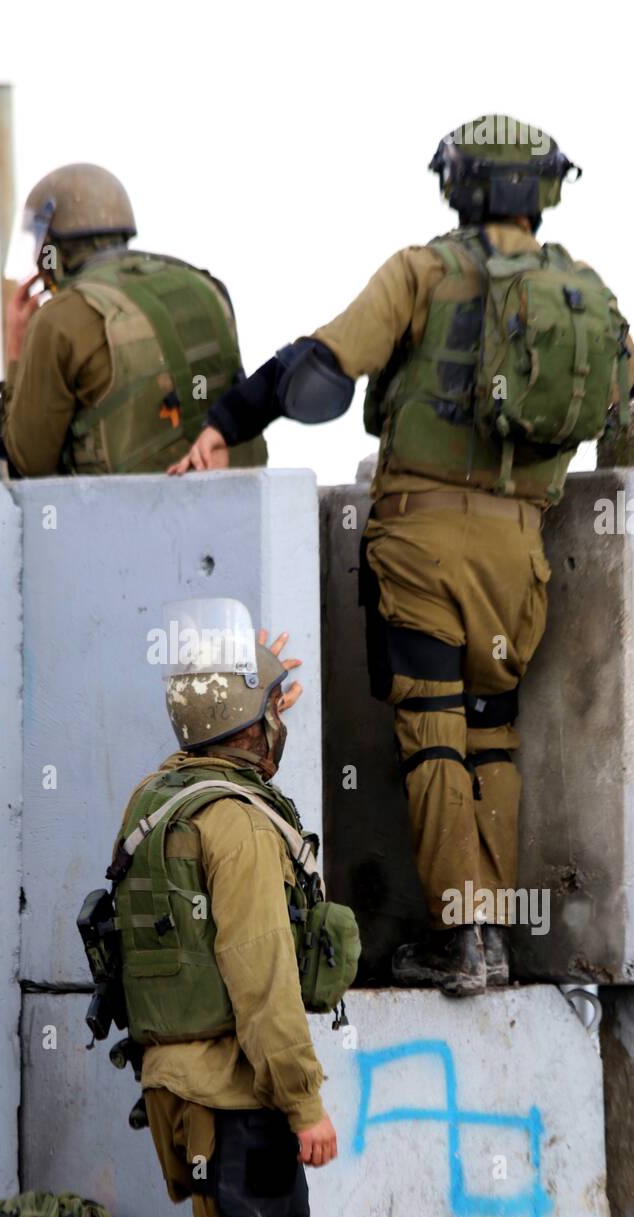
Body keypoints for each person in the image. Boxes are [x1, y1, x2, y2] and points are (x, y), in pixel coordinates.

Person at [170, 116, 634, 997]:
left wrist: (226, 424)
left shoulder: (425, 272)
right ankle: (494, 936)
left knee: (434, 734)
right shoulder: (587, 297)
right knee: (494, 732)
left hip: (422, 544)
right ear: (545, 192)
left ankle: (458, 938)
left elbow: (320, 362)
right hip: (521, 556)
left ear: (456, 187)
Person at [103, 599, 359, 1217]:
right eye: (270, 711)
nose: (279, 720)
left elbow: (227, 745)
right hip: (227, 1086)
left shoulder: (158, 802)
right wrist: (305, 1103)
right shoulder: (237, 826)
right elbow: (263, 975)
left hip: (182, 1081)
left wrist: (257, 682)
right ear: (249, 727)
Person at [1, 163, 267, 477]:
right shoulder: (203, 287)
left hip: (127, 515)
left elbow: (29, 462)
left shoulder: (60, 317)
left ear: (53, 245)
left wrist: (17, 351)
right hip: (239, 501)